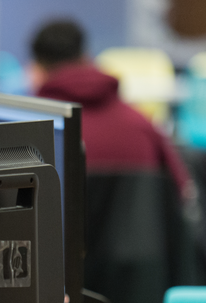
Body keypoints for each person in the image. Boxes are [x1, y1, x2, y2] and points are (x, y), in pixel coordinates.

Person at [28, 19, 193, 198]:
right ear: (86, 58)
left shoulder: (30, 132)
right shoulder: (143, 124)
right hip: (137, 225)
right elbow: (183, 193)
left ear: (37, 70)